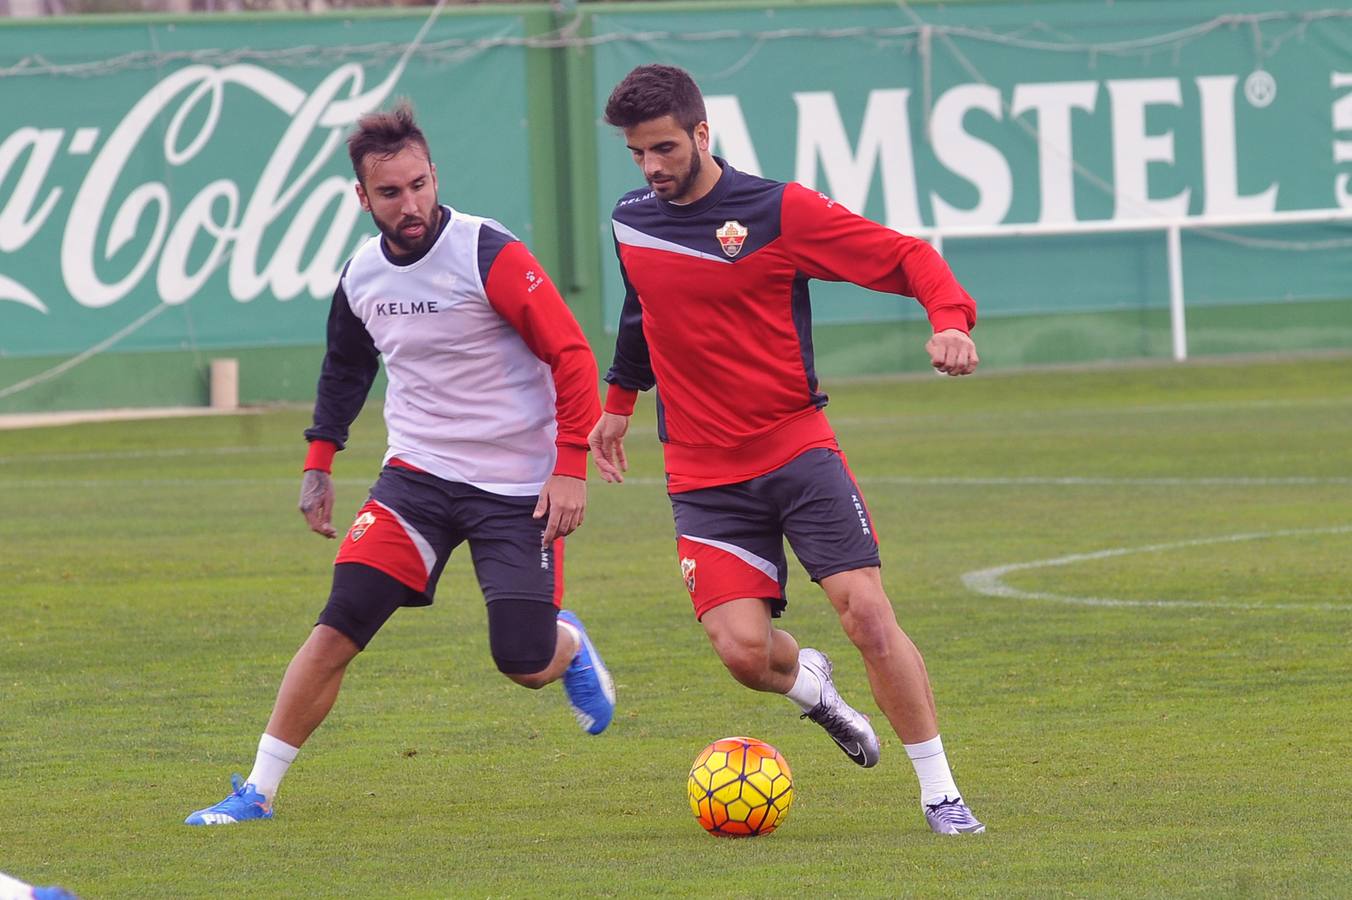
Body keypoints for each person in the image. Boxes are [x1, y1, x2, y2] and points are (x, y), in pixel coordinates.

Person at [185, 101, 614, 826]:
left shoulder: (488, 253)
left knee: (522, 661)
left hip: (517, 489)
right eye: (390, 193)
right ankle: (256, 791)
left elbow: (570, 355)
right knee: (338, 625)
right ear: (363, 197)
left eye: (419, 185)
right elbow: (344, 370)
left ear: (434, 175)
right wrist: (318, 463)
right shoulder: (361, 276)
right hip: (416, 479)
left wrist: (569, 463)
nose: (410, 204)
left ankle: (567, 646)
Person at [589, 64, 983, 835]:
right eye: (638, 154)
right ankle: (816, 693)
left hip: (796, 450)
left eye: (665, 148)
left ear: (703, 134)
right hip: (703, 473)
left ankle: (940, 792)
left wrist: (951, 318)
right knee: (741, 653)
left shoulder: (776, 211)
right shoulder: (632, 218)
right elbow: (644, 311)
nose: (653, 167)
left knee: (867, 614)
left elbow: (905, 255)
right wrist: (617, 403)